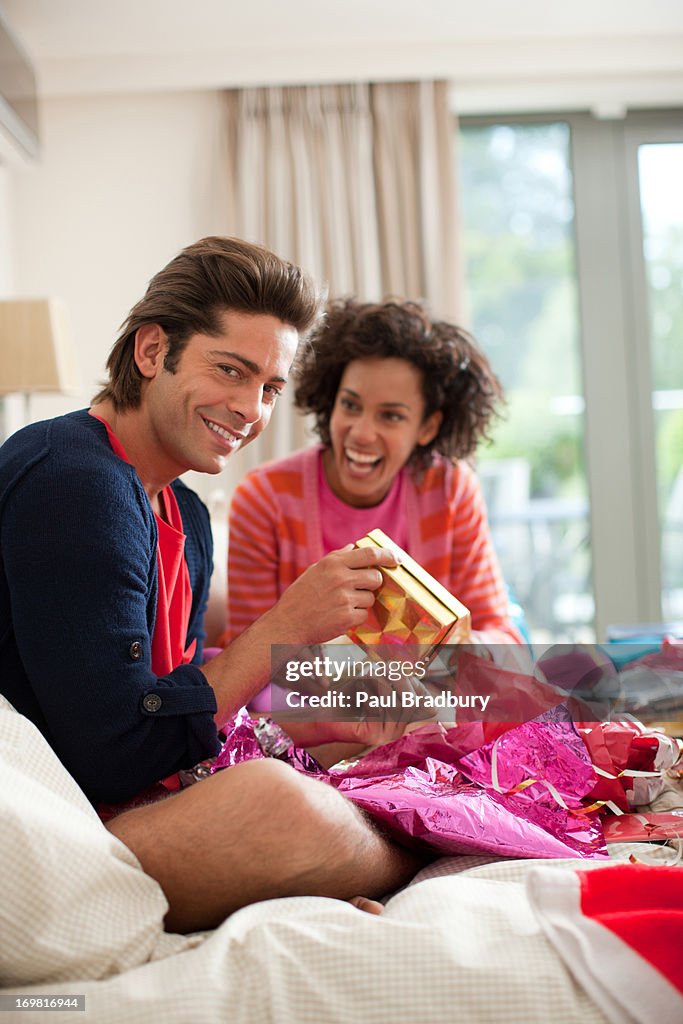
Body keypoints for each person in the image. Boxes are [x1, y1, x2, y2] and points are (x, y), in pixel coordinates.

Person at [0, 238, 421, 932]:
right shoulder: (72, 481)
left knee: (364, 737)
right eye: (230, 370)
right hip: (70, 824)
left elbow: (180, 696)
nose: (249, 409)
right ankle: (397, 856)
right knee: (279, 806)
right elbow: (114, 756)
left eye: (268, 388)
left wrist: (322, 722)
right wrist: (286, 627)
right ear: (150, 351)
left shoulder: (185, 512)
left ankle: (337, 862)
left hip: (144, 796)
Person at [226, 298, 524, 656]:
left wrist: (437, 652)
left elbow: (505, 640)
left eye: (391, 416)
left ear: (428, 427)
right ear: (331, 400)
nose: (362, 433)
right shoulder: (265, 498)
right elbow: (244, 660)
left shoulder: (450, 491)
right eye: (350, 405)